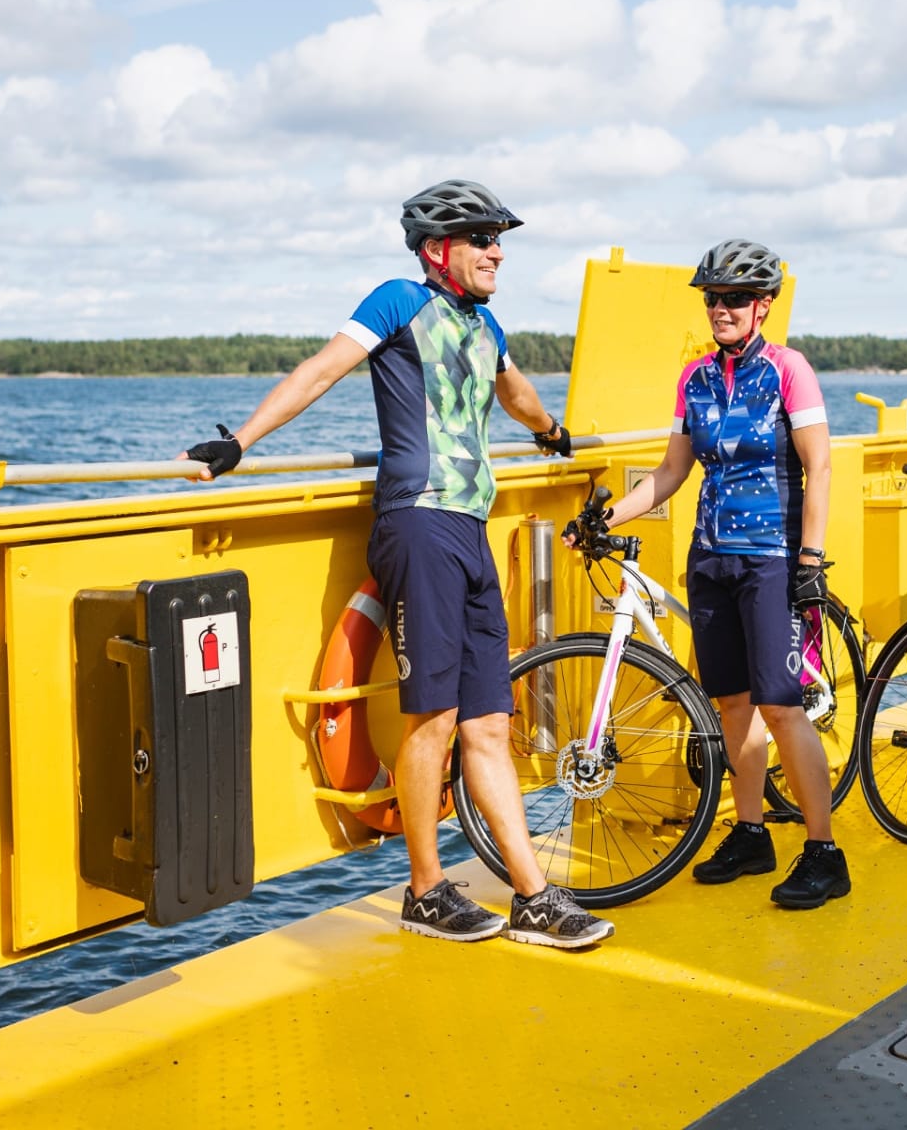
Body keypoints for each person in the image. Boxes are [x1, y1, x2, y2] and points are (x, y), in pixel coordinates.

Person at [179, 179, 614, 950]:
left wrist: (554, 434)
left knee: (488, 723)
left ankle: (534, 898)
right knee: (436, 718)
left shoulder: (485, 327)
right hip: (418, 524)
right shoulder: (395, 301)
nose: (497, 251)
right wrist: (240, 443)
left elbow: (515, 394)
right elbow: (322, 369)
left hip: (470, 529)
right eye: (482, 239)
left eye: (498, 238)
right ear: (438, 249)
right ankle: (425, 890)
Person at [571, 239, 850, 909]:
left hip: (773, 559)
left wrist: (809, 559)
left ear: (762, 306)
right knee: (731, 703)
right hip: (712, 557)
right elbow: (671, 473)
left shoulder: (790, 370)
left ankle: (825, 853)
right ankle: (751, 832)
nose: (720, 310)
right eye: (712, 299)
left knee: (781, 705)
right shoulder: (694, 380)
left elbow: (820, 467)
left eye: (733, 300)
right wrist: (610, 518)